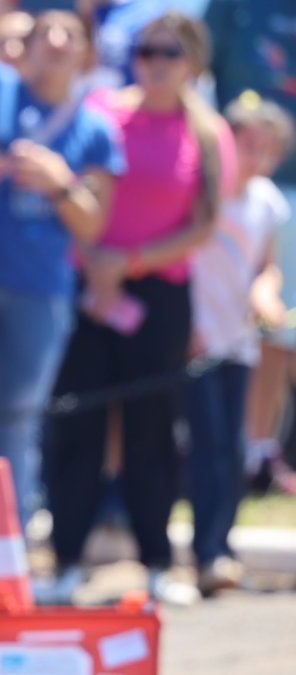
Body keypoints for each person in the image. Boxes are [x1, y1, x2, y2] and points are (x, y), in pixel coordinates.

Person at [43, 12, 235, 607]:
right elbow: (71, 188)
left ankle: (156, 563)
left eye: (170, 52)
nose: (155, 61)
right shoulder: (100, 109)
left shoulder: (208, 132)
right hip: (86, 283)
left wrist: (127, 263)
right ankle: (67, 563)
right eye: (147, 49)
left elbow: (203, 224)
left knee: (153, 429)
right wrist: (96, 263)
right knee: (77, 426)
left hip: (157, 292)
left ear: (193, 64)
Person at [0, 0, 124, 530]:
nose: (55, 40)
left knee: (16, 423)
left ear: (86, 53)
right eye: (44, 31)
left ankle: (6, 546)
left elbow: (93, 225)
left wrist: (58, 181)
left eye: (68, 33)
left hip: (42, 290)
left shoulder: (96, 129)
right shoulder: (0, 88)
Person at [187, 92, 292, 597]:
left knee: (231, 449)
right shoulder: (202, 188)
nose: (254, 155)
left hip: (240, 342)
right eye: (245, 142)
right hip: (196, 340)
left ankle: (219, 551)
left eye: (265, 147)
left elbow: (265, 266)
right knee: (204, 446)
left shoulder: (269, 201)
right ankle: (206, 554)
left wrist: (265, 294)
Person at [204, 0, 296, 492]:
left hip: (277, 191)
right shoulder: (233, 8)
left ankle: (260, 449)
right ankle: (238, 451)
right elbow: (202, 66)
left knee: (281, 333)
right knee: (230, 327)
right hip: (233, 185)